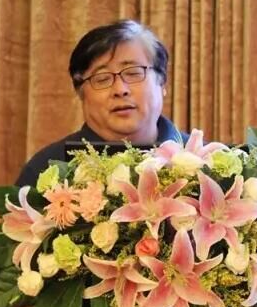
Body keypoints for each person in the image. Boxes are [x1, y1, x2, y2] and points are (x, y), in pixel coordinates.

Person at [15, 19, 188, 187]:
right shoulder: (45, 172)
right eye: (102, 78)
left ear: (162, 83)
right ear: (80, 93)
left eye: (133, 73)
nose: (120, 89)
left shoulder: (200, 162)